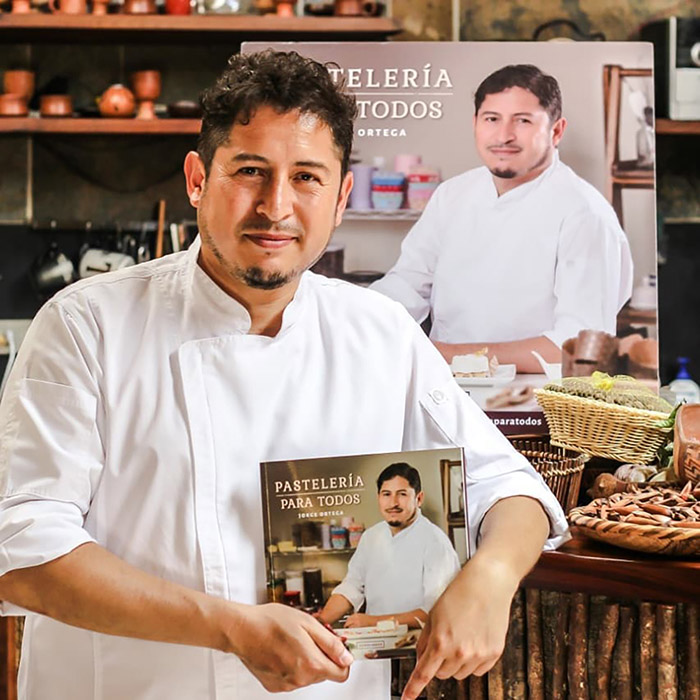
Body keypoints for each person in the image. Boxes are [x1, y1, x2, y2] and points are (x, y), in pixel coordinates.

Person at [0, 51, 568, 700]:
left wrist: (491, 578)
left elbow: (507, 485)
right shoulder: (84, 326)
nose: (276, 206)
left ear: (342, 196)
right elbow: (21, 551)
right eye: (249, 171)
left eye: (306, 177)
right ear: (196, 179)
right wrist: (230, 628)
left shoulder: (379, 332)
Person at [371, 64, 634, 375]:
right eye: (492, 119)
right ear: (475, 124)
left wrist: (447, 356)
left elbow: (581, 347)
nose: (504, 135)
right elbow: (408, 284)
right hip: (442, 390)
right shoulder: (452, 195)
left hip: (531, 399)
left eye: (522, 121)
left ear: (557, 130)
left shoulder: (585, 213)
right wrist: (356, 317)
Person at [320, 463, 461, 630]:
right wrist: (321, 622)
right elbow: (352, 586)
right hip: (375, 643)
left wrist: (373, 621)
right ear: (378, 497)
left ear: (419, 498)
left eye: (402, 494)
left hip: (417, 644)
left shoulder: (436, 542)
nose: (393, 503)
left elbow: (436, 612)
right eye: (386, 494)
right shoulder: (371, 537)